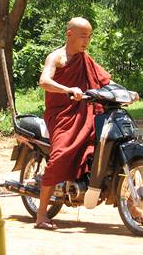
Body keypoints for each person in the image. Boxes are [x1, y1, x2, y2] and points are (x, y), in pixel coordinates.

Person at [36, 17, 111, 229]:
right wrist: (68, 89)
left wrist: (124, 92)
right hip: (62, 116)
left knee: (106, 149)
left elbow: (104, 80)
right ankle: (41, 215)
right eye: (82, 36)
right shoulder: (57, 57)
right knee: (60, 156)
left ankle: (132, 207)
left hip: (86, 112)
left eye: (89, 36)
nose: (86, 41)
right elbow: (44, 81)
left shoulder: (85, 58)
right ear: (69, 34)